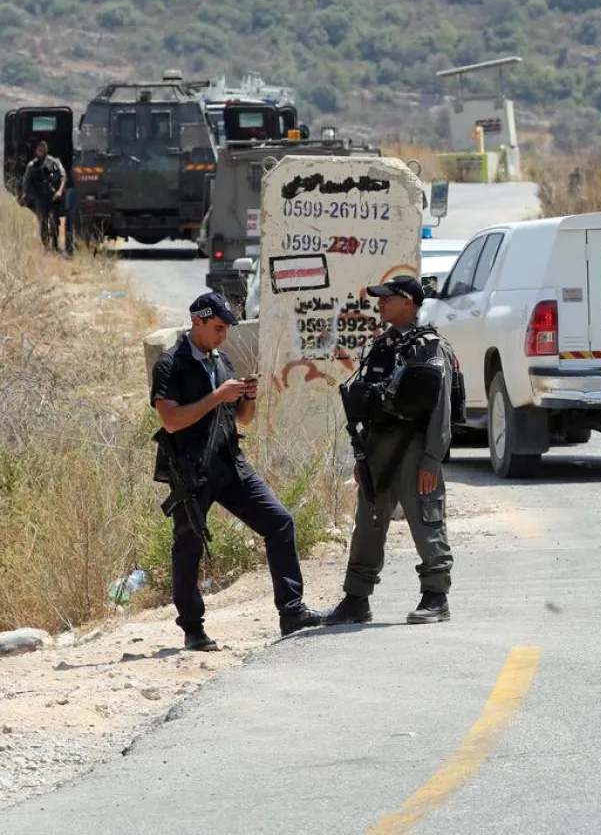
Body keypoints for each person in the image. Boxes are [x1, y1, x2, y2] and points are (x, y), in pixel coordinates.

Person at [150, 293, 324, 651]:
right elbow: (170, 420)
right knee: (188, 546)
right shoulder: (171, 364)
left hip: (231, 465)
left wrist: (248, 397)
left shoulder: (222, 361)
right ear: (197, 322)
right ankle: (193, 628)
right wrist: (217, 396)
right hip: (191, 472)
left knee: (280, 521)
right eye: (217, 328)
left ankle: (291, 611)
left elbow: (242, 419)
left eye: (226, 329)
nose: (222, 336)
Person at [324, 275, 455, 627]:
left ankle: (435, 596)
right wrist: (362, 455)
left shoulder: (429, 348)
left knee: (425, 520)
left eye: (387, 298)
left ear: (408, 303)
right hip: (378, 449)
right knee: (368, 524)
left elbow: (440, 410)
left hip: (415, 450)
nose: (379, 303)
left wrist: (432, 458)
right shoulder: (383, 345)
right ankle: (356, 599)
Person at [20, 142, 65, 252]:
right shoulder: (32, 165)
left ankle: (55, 245)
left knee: (54, 221)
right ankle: (46, 247)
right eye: (39, 150)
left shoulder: (54, 162)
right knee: (43, 222)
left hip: (53, 196)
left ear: (46, 150)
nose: (41, 153)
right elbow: (26, 181)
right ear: (36, 151)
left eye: (43, 150)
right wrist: (25, 194)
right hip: (40, 197)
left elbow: (63, 177)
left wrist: (59, 191)